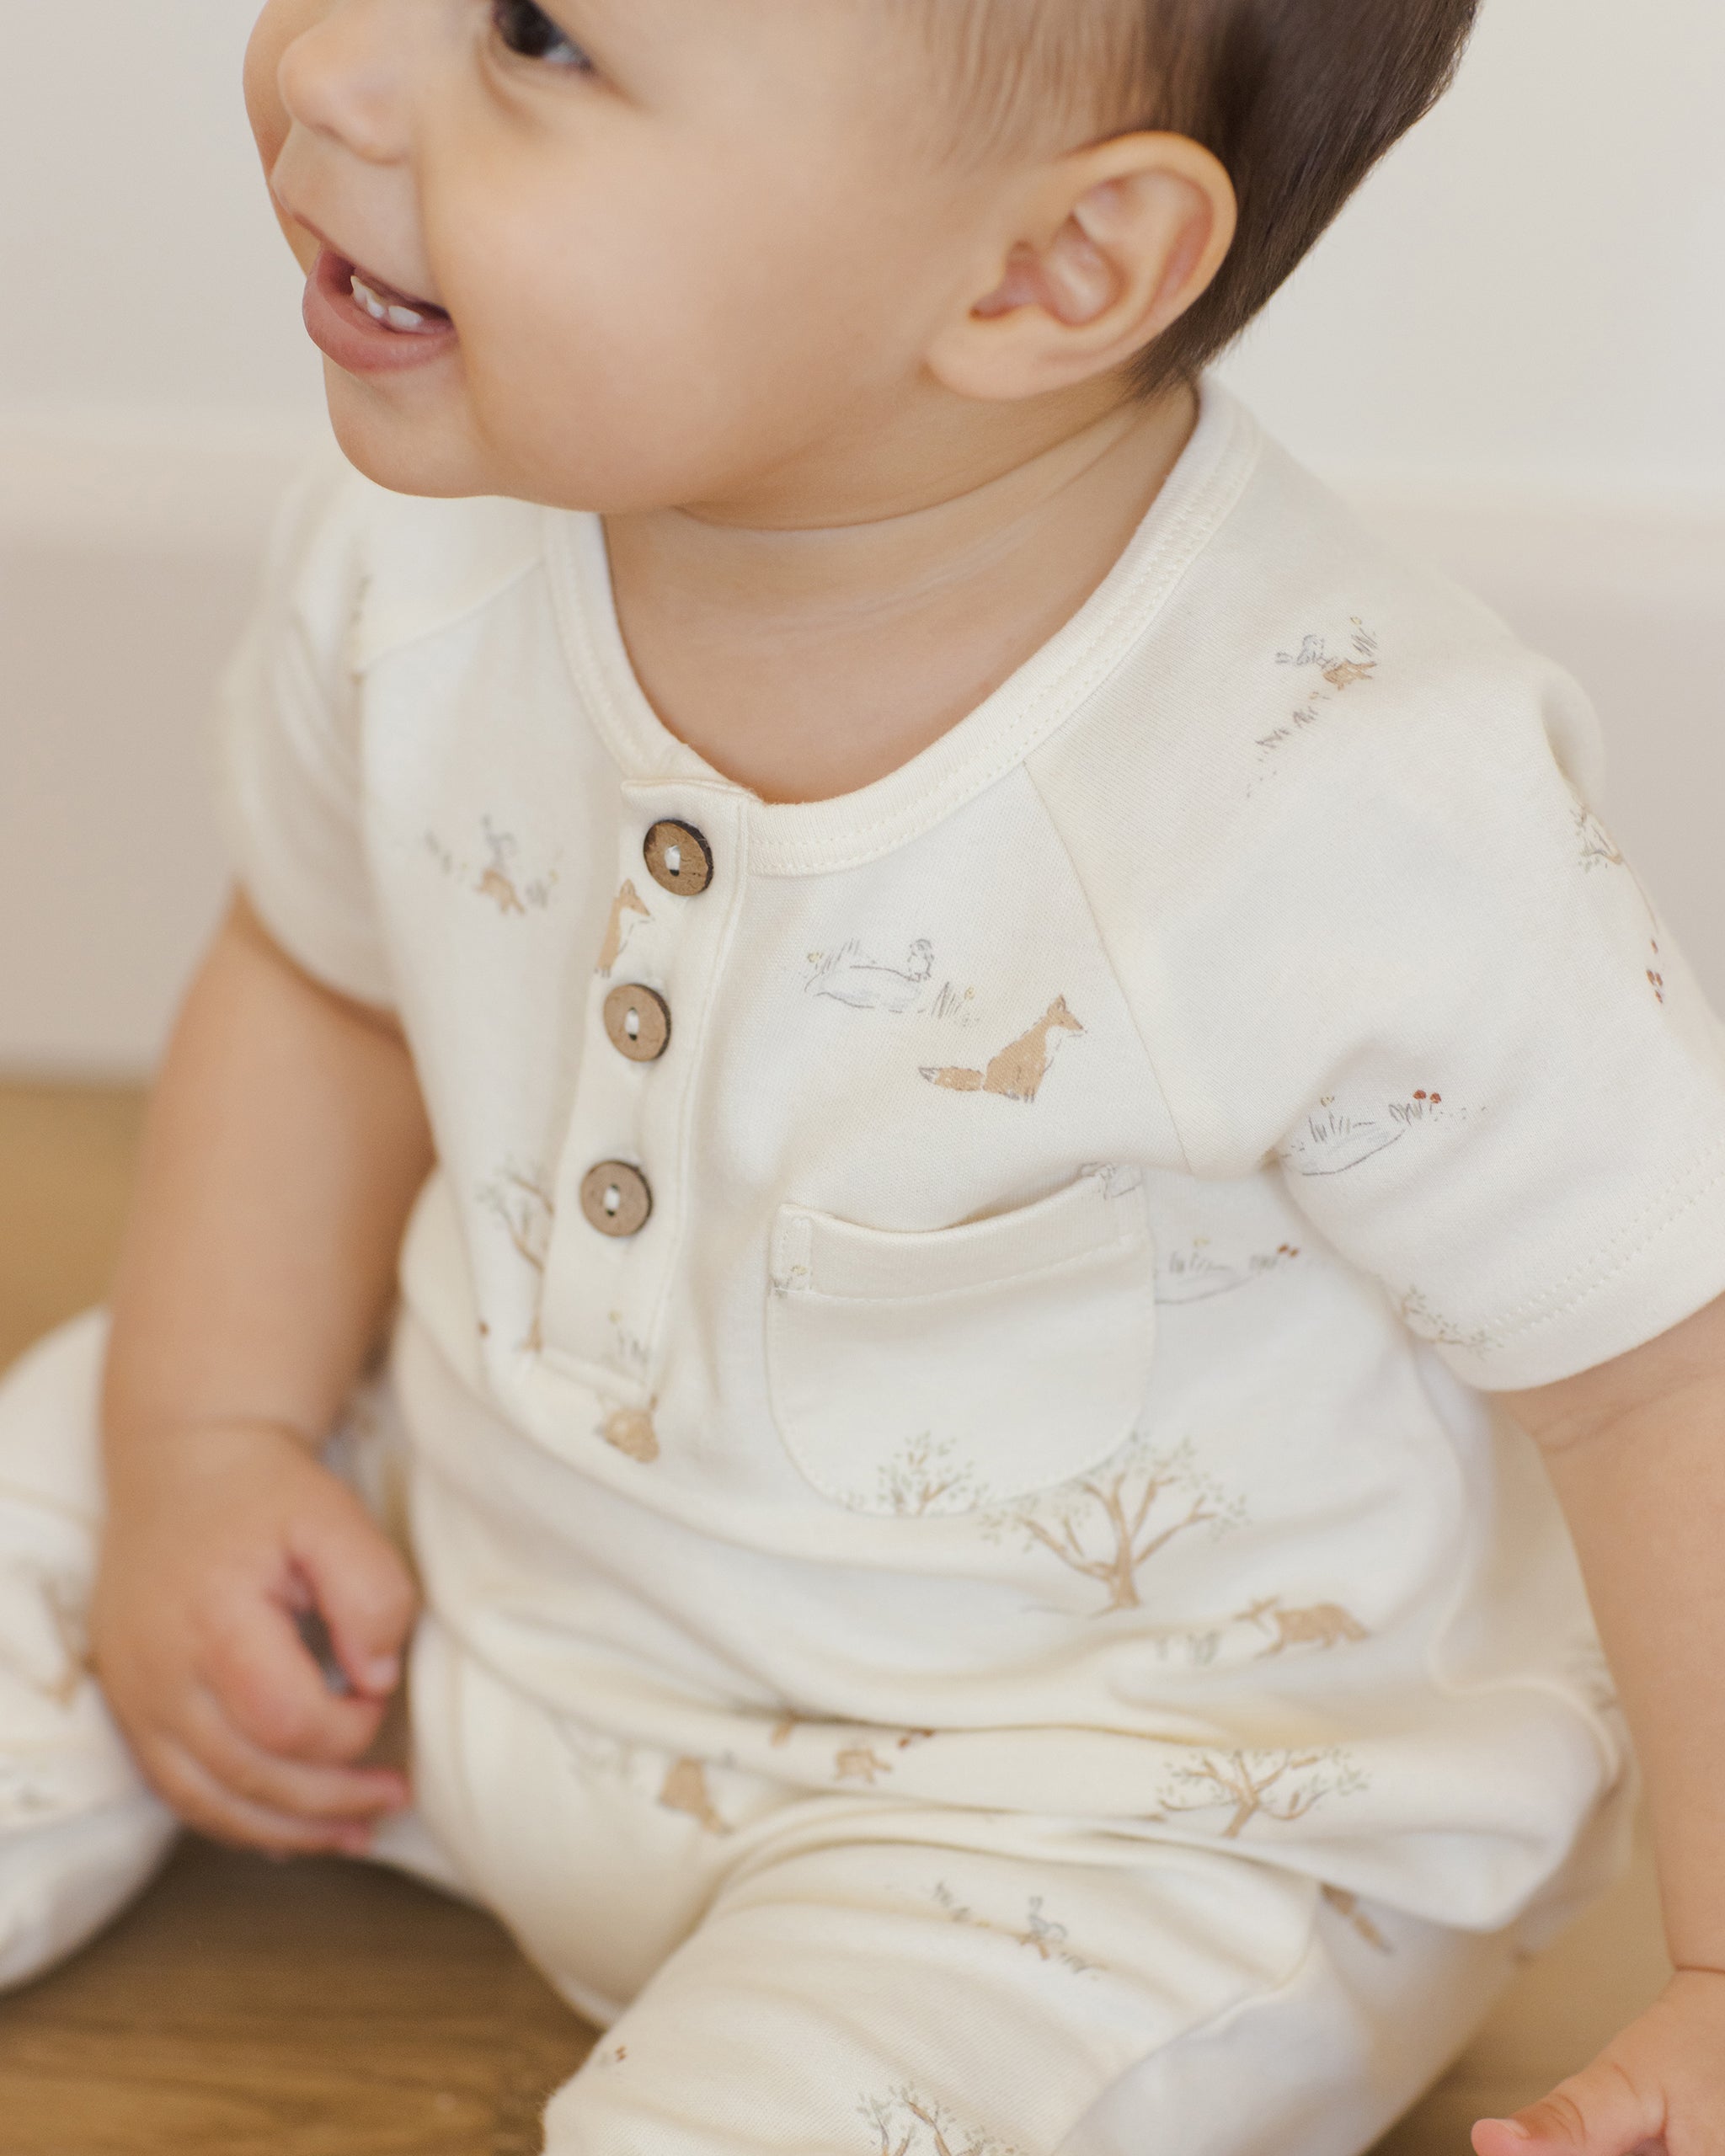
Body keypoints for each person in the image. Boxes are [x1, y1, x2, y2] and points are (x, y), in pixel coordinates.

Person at [2, 1, 1721, 2148]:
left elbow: (1660, 1378)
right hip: (456, 1544)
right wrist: (208, 1442)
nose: (328, 67)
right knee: (87, 1449)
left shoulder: (1344, 796)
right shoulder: (427, 538)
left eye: (534, 34)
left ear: (1047, 270)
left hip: (1086, 1815)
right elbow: (325, 976)